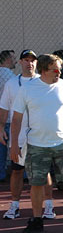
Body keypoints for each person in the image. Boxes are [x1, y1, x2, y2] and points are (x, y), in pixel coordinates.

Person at [10, 53, 63, 233]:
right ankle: (37, 220)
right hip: (36, 144)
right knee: (37, 182)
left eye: (60, 69)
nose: (59, 73)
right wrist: (14, 144)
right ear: (44, 70)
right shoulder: (27, 89)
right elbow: (16, 119)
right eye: (55, 70)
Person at [0, 49, 56, 220]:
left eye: (32, 60)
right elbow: (4, 108)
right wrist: (1, 127)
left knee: (44, 171)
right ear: (20, 63)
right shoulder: (11, 84)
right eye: (26, 60)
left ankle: (48, 206)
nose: (29, 63)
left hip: (40, 136)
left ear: (36, 63)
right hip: (19, 136)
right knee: (17, 171)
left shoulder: (43, 83)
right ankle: (15, 206)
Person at [0, 49, 17, 182]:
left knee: (1, 147)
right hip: (9, 116)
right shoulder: (9, 76)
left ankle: (1, 173)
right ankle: (19, 173)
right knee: (13, 145)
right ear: (7, 60)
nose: (15, 61)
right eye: (13, 58)